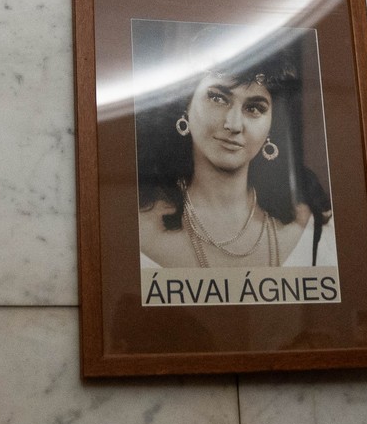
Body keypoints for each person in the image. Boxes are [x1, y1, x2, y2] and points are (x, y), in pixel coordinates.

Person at [135, 35, 335, 269]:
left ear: (271, 124)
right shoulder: (136, 228)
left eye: (254, 108)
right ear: (185, 105)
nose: (234, 124)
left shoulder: (315, 227)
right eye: (218, 98)